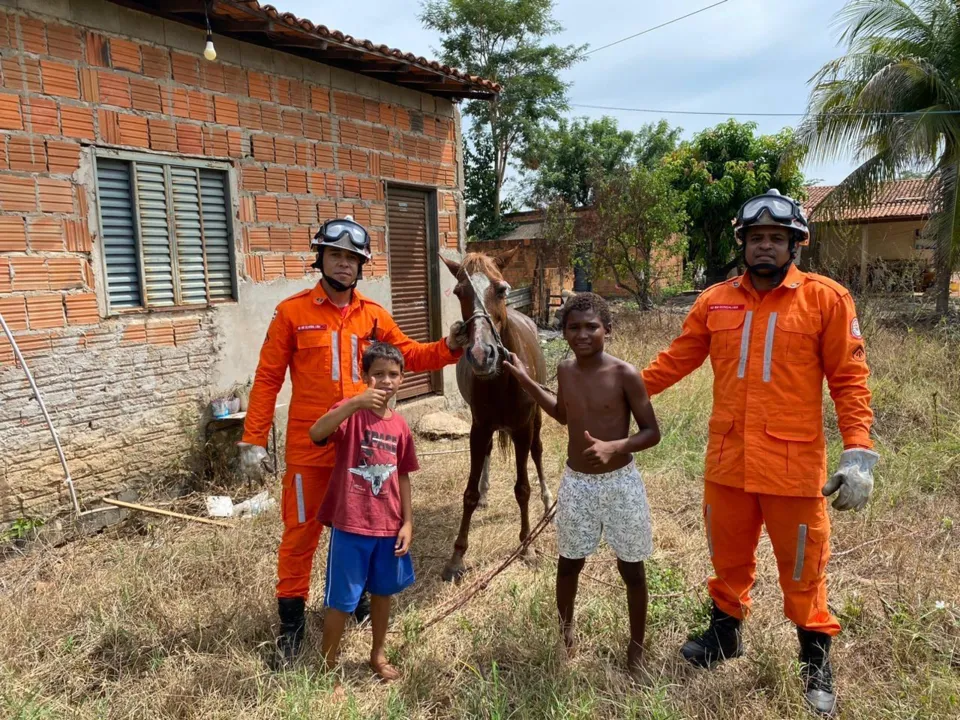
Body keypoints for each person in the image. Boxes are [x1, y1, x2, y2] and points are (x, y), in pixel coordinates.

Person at [640, 189, 877, 716]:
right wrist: (615, 390)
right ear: (742, 244)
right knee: (727, 559)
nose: (765, 247)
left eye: (776, 238)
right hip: (727, 462)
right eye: (756, 238)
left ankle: (815, 661)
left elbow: (849, 381)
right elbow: (673, 362)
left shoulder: (827, 300)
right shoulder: (714, 301)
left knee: (803, 567)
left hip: (795, 469)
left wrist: (858, 452)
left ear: (795, 244)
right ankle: (725, 638)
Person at [238, 216, 464, 667]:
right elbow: (267, 378)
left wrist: (450, 345)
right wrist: (253, 438)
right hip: (311, 449)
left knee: (361, 527)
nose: (344, 264)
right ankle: (291, 627)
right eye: (336, 254)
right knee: (300, 536)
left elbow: (410, 355)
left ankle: (356, 600)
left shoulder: (373, 316)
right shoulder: (291, 313)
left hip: (364, 454)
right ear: (320, 257)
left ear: (361, 266)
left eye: (353, 258)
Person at [504, 292, 660, 678]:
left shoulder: (625, 374)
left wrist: (615, 447)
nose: (583, 334)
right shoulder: (564, 370)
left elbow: (652, 432)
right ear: (564, 333)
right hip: (578, 484)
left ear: (607, 328)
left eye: (591, 326)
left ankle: (636, 648)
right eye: (573, 327)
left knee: (632, 570)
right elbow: (561, 414)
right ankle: (566, 634)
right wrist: (526, 381)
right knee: (569, 563)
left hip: (621, 484)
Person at [309, 342, 417, 683]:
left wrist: (408, 522)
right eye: (378, 374)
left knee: (383, 593)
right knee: (341, 599)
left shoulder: (400, 426)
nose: (386, 381)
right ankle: (328, 668)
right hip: (352, 524)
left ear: (402, 379)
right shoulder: (351, 411)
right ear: (364, 376)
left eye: (393, 375)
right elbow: (316, 433)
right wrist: (355, 401)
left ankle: (377, 654)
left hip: (388, 525)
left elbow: (402, 474)